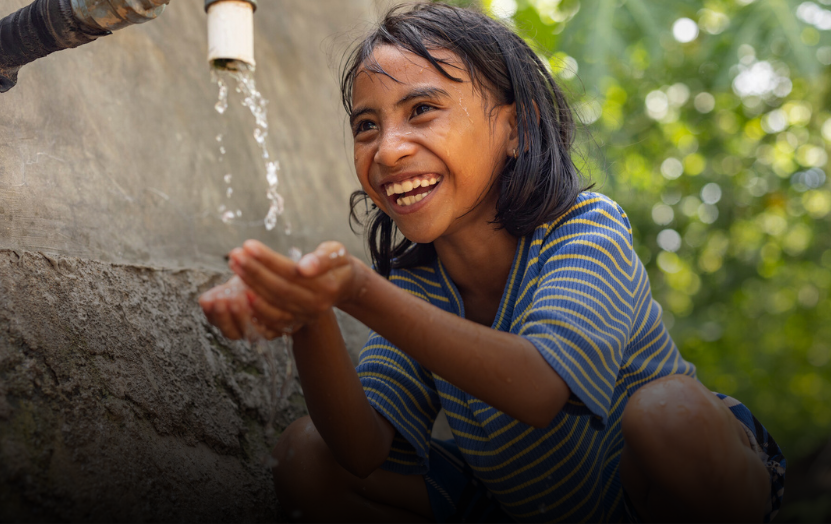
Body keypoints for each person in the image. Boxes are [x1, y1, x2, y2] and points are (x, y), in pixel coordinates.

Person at [199, 4, 785, 522]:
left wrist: (355, 290)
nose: (388, 150)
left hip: (652, 494)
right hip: (521, 506)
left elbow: (539, 390)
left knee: (670, 415)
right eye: (366, 125)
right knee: (305, 456)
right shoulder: (418, 280)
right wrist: (309, 311)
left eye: (422, 109)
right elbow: (360, 449)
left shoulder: (584, 229)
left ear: (517, 128)